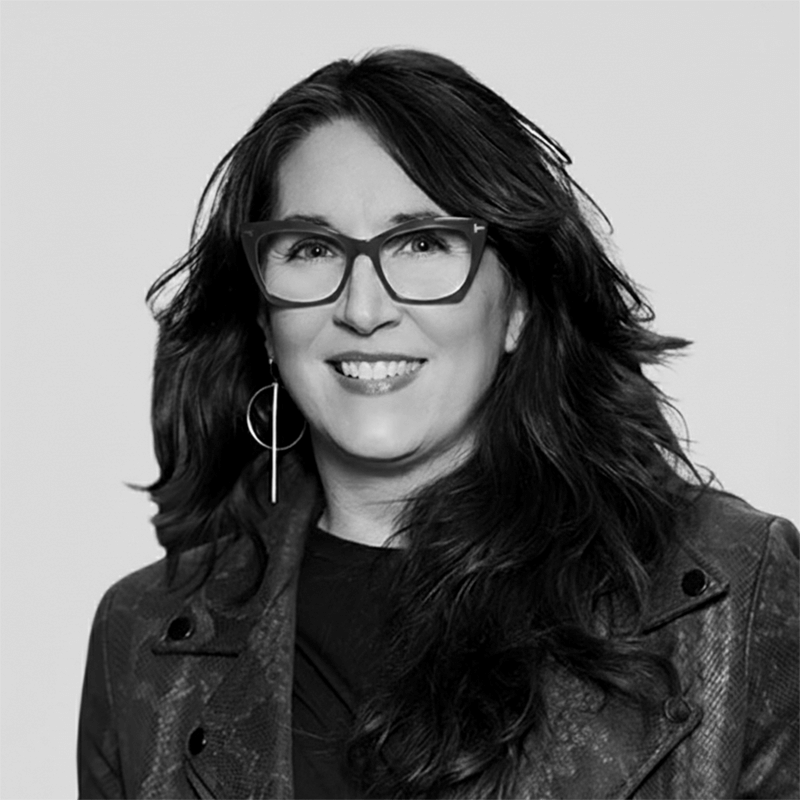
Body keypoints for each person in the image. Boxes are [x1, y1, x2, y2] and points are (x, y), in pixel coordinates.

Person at [77, 49, 800, 800]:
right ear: (264, 317)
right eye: (312, 249)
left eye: (422, 244)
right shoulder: (149, 639)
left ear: (516, 302)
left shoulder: (726, 594)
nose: (363, 308)